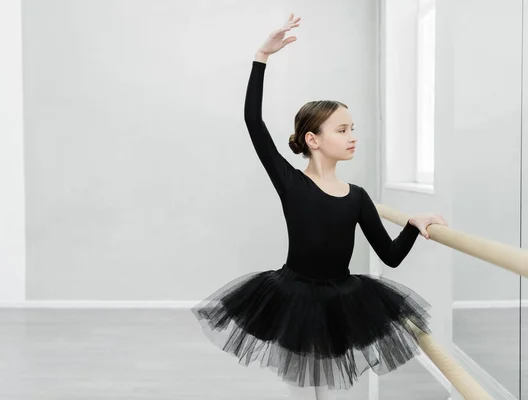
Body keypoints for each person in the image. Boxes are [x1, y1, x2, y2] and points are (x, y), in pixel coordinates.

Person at [191, 13, 448, 400]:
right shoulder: (291, 183)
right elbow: (253, 122)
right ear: (312, 139)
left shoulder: (358, 196)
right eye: (342, 130)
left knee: (330, 386)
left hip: (341, 300)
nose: (352, 137)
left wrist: (413, 225)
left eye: (353, 129)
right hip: (294, 296)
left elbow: (390, 257)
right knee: (305, 384)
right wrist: (261, 56)